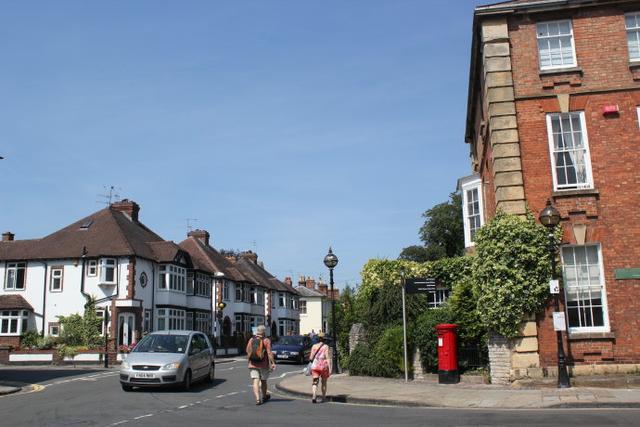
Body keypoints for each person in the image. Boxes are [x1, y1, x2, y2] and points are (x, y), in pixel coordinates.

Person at [246, 325, 275, 405]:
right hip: (263, 364)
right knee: (263, 381)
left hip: (252, 364)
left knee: (255, 380)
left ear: (257, 331)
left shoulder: (251, 339)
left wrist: (250, 359)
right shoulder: (266, 340)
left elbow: (247, 350)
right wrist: (273, 363)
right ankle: (264, 396)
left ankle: (258, 399)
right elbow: (269, 353)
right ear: (264, 332)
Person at [309, 332, 332, 403]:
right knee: (324, 382)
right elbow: (327, 358)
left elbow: (311, 358)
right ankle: (323, 398)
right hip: (323, 366)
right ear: (324, 339)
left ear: (318, 339)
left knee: (315, 381)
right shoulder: (326, 346)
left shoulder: (314, 346)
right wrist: (330, 368)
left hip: (315, 366)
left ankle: (314, 395)